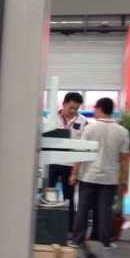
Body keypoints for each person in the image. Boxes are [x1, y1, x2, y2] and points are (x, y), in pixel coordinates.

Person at [71, 97, 130, 248]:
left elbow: (81, 153)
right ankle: (105, 242)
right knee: (105, 211)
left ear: (99, 109)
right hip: (110, 178)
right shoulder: (123, 131)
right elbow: (124, 159)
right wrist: (124, 180)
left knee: (83, 210)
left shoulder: (89, 128)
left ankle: (77, 240)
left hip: (88, 176)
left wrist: (74, 173)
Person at [46, 91, 87, 227]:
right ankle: (47, 224)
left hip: (70, 164)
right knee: (48, 195)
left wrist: (76, 170)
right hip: (52, 162)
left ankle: (68, 227)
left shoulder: (82, 121)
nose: (73, 111)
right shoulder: (51, 118)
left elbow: (82, 147)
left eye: (76, 108)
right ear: (63, 104)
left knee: (69, 197)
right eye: (71, 107)